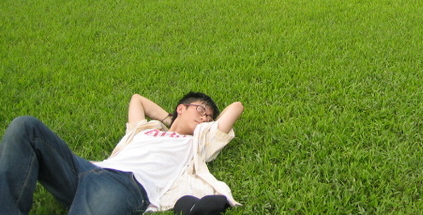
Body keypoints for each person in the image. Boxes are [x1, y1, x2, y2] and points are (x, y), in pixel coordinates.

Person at [0, 92, 244, 214]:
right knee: (26, 126)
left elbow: (236, 107)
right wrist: (170, 120)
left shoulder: (198, 142)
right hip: (87, 169)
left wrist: (203, 125)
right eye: (201, 110)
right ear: (181, 108)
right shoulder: (146, 129)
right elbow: (137, 99)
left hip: (125, 185)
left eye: (209, 117)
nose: (205, 117)